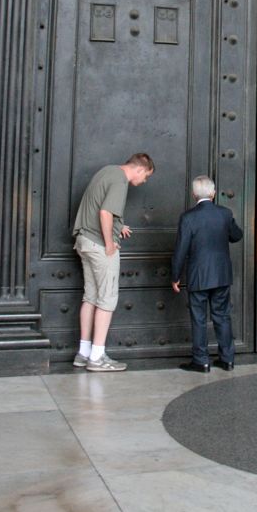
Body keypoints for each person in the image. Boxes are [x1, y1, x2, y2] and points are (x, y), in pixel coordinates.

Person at [72, 153, 155, 371]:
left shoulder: (106, 171)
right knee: (107, 300)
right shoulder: (120, 180)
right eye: (146, 176)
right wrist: (109, 242)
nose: (143, 181)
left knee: (90, 297)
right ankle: (97, 357)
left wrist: (120, 227)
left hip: (84, 241)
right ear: (139, 169)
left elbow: (98, 205)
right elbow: (105, 212)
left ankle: (84, 352)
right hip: (99, 245)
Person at [171, 175, 243, 372]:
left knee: (199, 319)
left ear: (194, 195)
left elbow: (181, 250)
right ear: (213, 193)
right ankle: (227, 359)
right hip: (221, 275)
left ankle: (201, 361)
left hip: (198, 276)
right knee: (222, 316)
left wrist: (175, 276)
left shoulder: (188, 218)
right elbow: (237, 235)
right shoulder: (225, 213)